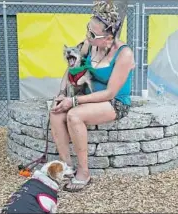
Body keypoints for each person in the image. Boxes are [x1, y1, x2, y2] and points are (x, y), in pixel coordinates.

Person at [50, 0, 135, 192]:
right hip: (85, 95)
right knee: (55, 112)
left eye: (92, 34)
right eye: (88, 29)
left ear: (108, 38)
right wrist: (62, 93)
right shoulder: (89, 45)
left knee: (74, 115)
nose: (87, 35)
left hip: (113, 102)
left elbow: (110, 92)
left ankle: (84, 172)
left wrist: (73, 101)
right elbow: (71, 69)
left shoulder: (124, 54)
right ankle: (66, 167)